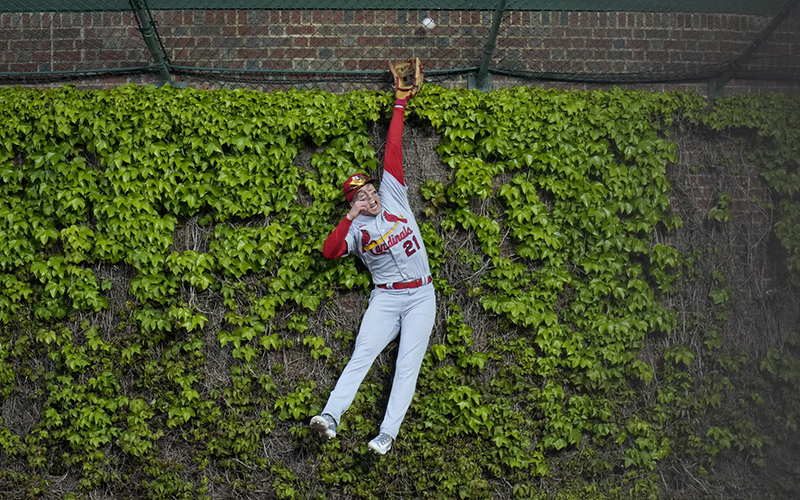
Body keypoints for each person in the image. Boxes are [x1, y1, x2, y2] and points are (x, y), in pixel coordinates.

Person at [310, 59, 435, 455]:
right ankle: (330, 417)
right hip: (386, 298)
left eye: (370, 189)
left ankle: (387, 434)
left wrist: (399, 104)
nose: (371, 195)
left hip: (421, 296)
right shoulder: (356, 229)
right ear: (354, 203)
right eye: (362, 195)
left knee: (405, 367)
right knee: (361, 357)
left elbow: (393, 150)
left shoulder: (394, 195)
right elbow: (329, 252)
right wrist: (349, 216)